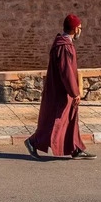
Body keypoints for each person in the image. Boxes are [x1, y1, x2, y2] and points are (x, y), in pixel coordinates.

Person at [25, 14, 95, 160]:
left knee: (69, 119)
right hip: (61, 92)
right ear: (75, 29)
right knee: (56, 121)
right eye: (80, 28)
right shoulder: (64, 46)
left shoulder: (62, 44)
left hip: (62, 91)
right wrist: (74, 92)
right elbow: (66, 71)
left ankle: (75, 148)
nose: (81, 31)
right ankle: (33, 142)